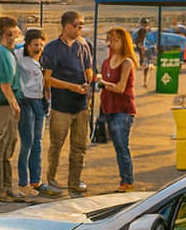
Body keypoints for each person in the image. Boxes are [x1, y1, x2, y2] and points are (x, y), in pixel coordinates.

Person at [41, 11, 94, 197]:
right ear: (67, 25)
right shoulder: (52, 48)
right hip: (61, 105)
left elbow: (89, 68)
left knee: (79, 146)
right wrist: (72, 87)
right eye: (78, 25)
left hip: (81, 105)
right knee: (56, 144)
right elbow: (48, 79)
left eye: (81, 25)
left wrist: (88, 81)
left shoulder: (83, 45)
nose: (80, 28)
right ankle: (52, 179)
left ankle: (75, 180)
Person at [15, 28, 62, 199]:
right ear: (27, 44)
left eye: (41, 45)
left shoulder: (43, 58)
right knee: (27, 142)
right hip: (25, 100)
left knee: (38, 143)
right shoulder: (18, 56)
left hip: (40, 101)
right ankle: (23, 181)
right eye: (35, 45)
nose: (39, 48)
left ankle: (36, 180)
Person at [0, 17, 26, 203]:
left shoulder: (8, 52)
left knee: (10, 143)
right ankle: (0, 189)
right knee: (3, 144)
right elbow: (4, 81)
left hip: (7, 100)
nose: (14, 38)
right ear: (3, 35)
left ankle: (7, 186)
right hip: (2, 102)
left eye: (15, 34)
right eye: (10, 35)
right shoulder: (1, 52)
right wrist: (12, 101)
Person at [100, 28, 138, 192]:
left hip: (123, 108)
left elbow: (121, 88)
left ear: (124, 42)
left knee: (122, 145)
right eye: (111, 39)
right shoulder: (106, 62)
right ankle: (125, 179)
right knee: (117, 145)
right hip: (108, 107)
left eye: (117, 40)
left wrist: (104, 84)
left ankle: (127, 181)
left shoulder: (127, 62)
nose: (113, 43)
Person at [133, 18, 150, 87]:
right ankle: (144, 81)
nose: (144, 25)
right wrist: (141, 46)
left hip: (145, 49)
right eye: (143, 24)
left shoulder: (148, 31)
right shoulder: (140, 31)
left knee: (146, 65)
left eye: (145, 24)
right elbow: (137, 41)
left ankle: (145, 82)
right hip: (141, 49)